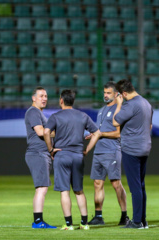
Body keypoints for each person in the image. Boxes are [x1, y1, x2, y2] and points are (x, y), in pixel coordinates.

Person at [43, 89, 101, 230]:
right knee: (79, 190)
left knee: (65, 191)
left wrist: (50, 149)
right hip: (77, 155)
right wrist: (87, 150)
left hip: (62, 155)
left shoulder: (56, 116)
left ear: (61, 100)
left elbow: (46, 132)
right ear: (73, 101)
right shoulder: (82, 115)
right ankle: (84, 223)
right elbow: (97, 133)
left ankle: (69, 224)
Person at [87, 82, 129, 226]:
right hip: (98, 151)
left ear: (116, 94)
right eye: (104, 92)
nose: (105, 95)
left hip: (111, 151)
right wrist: (94, 135)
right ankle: (98, 216)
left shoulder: (120, 110)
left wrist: (100, 134)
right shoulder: (101, 110)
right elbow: (99, 130)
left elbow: (118, 133)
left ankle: (124, 216)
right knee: (97, 183)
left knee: (116, 183)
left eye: (109, 93)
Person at [113, 79, 153, 229]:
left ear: (123, 93)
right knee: (141, 186)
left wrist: (118, 104)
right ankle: (143, 220)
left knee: (135, 187)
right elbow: (149, 125)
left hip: (132, 149)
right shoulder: (146, 103)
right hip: (145, 147)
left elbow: (115, 121)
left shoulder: (130, 104)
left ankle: (137, 222)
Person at [24, 86, 56, 229]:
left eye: (46, 96)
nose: (44, 99)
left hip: (41, 153)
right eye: (41, 96)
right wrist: (60, 131)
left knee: (42, 188)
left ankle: (38, 221)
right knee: (41, 188)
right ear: (34, 98)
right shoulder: (33, 112)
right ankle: (38, 222)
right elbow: (41, 132)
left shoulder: (38, 113)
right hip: (37, 153)